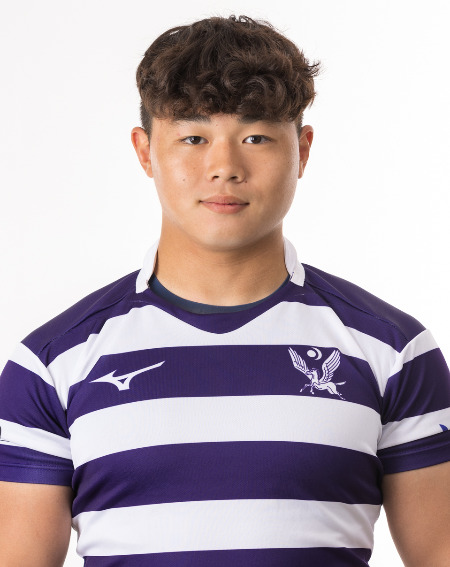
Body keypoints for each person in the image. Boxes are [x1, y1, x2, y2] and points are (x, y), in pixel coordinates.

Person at [0, 13, 449, 567]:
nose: (225, 167)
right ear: (145, 151)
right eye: (193, 137)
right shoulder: (51, 364)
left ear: (303, 150)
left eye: (255, 137)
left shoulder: (393, 351)